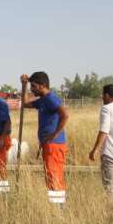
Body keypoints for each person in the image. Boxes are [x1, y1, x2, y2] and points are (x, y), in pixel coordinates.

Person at [20, 72, 69, 205]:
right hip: (49, 146)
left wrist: (55, 134)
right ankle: (57, 207)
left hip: (54, 146)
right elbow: (24, 103)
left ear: (43, 86)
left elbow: (65, 115)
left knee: (54, 178)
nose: (32, 89)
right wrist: (23, 85)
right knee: (52, 178)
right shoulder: (43, 100)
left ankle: (59, 210)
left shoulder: (51, 98)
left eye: (34, 86)